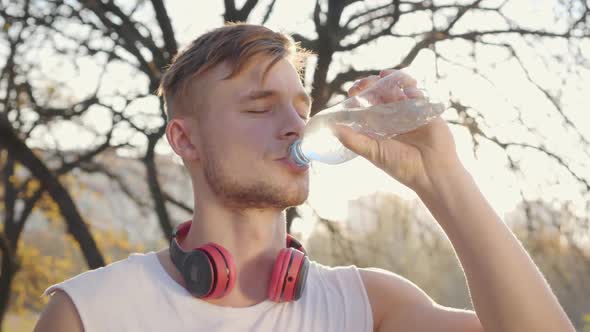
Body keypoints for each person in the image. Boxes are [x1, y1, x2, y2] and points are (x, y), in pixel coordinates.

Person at [34, 23, 575, 332]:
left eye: (300, 105)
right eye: (259, 107)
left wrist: (441, 175)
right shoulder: (87, 314)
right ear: (185, 140)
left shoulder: (369, 306)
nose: (294, 124)